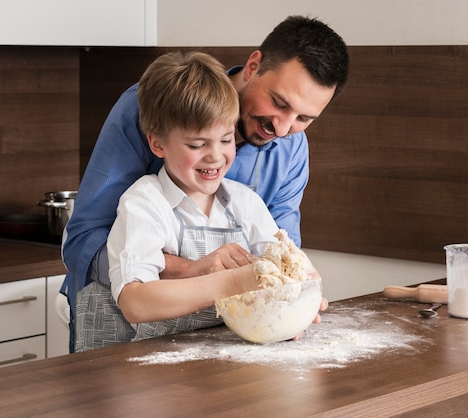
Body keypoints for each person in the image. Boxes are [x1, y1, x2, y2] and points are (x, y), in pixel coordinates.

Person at [61, 15, 349, 351]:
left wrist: (291, 303)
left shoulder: (283, 158)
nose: (283, 129)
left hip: (210, 346)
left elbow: (282, 256)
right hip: (120, 340)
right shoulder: (157, 105)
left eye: (303, 119)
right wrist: (198, 272)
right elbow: (84, 243)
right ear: (254, 65)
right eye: (280, 104)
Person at [74, 51, 287, 350]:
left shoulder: (246, 203)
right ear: (157, 144)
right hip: (141, 371)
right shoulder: (145, 203)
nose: (215, 155)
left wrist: (298, 300)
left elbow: (282, 269)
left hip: (211, 367)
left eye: (226, 140)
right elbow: (135, 301)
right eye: (197, 145)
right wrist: (228, 283)